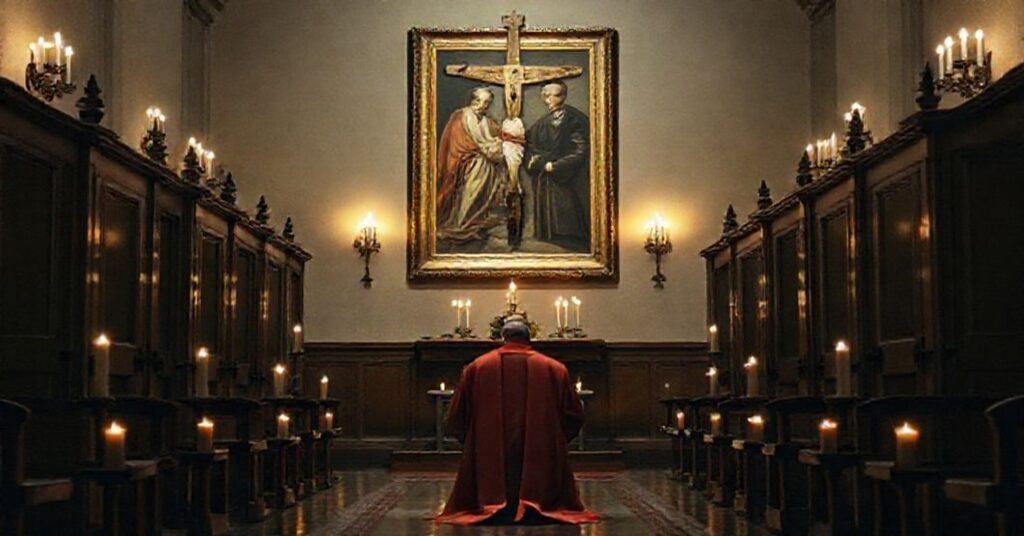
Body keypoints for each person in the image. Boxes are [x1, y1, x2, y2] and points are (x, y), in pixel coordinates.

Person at [434, 316, 599, 525]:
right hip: (542, 457)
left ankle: (493, 502)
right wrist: (554, 441)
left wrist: (474, 441)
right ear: (529, 337)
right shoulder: (554, 369)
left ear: (503, 337)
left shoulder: (477, 367)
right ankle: (537, 501)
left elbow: (456, 416)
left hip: (488, 458)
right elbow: (574, 415)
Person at [524, 80, 590, 251]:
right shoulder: (542, 122)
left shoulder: (575, 119)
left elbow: (581, 151)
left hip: (566, 177)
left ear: (563, 96)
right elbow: (528, 144)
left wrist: (556, 166)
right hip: (544, 180)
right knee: (548, 231)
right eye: (545, 96)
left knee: (567, 219)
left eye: (553, 96)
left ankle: (569, 240)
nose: (548, 100)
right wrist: (532, 160)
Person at [436, 86, 506, 245]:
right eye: (479, 100)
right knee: (469, 192)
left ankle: (472, 225)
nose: (483, 105)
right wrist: (482, 150)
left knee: (481, 191)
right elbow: (457, 142)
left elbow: (500, 137)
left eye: (487, 102)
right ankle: (459, 226)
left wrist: (496, 146)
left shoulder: (489, 121)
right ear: (472, 100)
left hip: (486, 165)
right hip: (466, 163)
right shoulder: (460, 116)